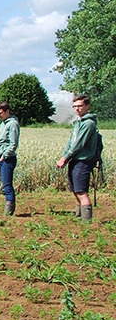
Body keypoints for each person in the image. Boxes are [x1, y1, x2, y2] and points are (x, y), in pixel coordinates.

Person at [57, 94, 99, 223]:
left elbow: (78, 144)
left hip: (83, 161)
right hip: (74, 160)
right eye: (74, 106)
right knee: (75, 190)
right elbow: (70, 142)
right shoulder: (78, 123)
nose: (77, 109)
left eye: (80, 106)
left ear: (87, 106)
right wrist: (64, 156)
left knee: (81, 191)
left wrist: (65, 158)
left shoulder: (88, 124)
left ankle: (86, 222)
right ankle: (79, 217)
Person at [0, 102, 20, 216]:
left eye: (1, 113)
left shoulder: (12, 124)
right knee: (5, 185)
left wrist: (4, 156)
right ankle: (8, 211)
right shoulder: (4, 123)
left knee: (7, 186)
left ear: (8, 111)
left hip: (7, 159)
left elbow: (13, 144)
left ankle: (9, 212)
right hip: (1, 158)